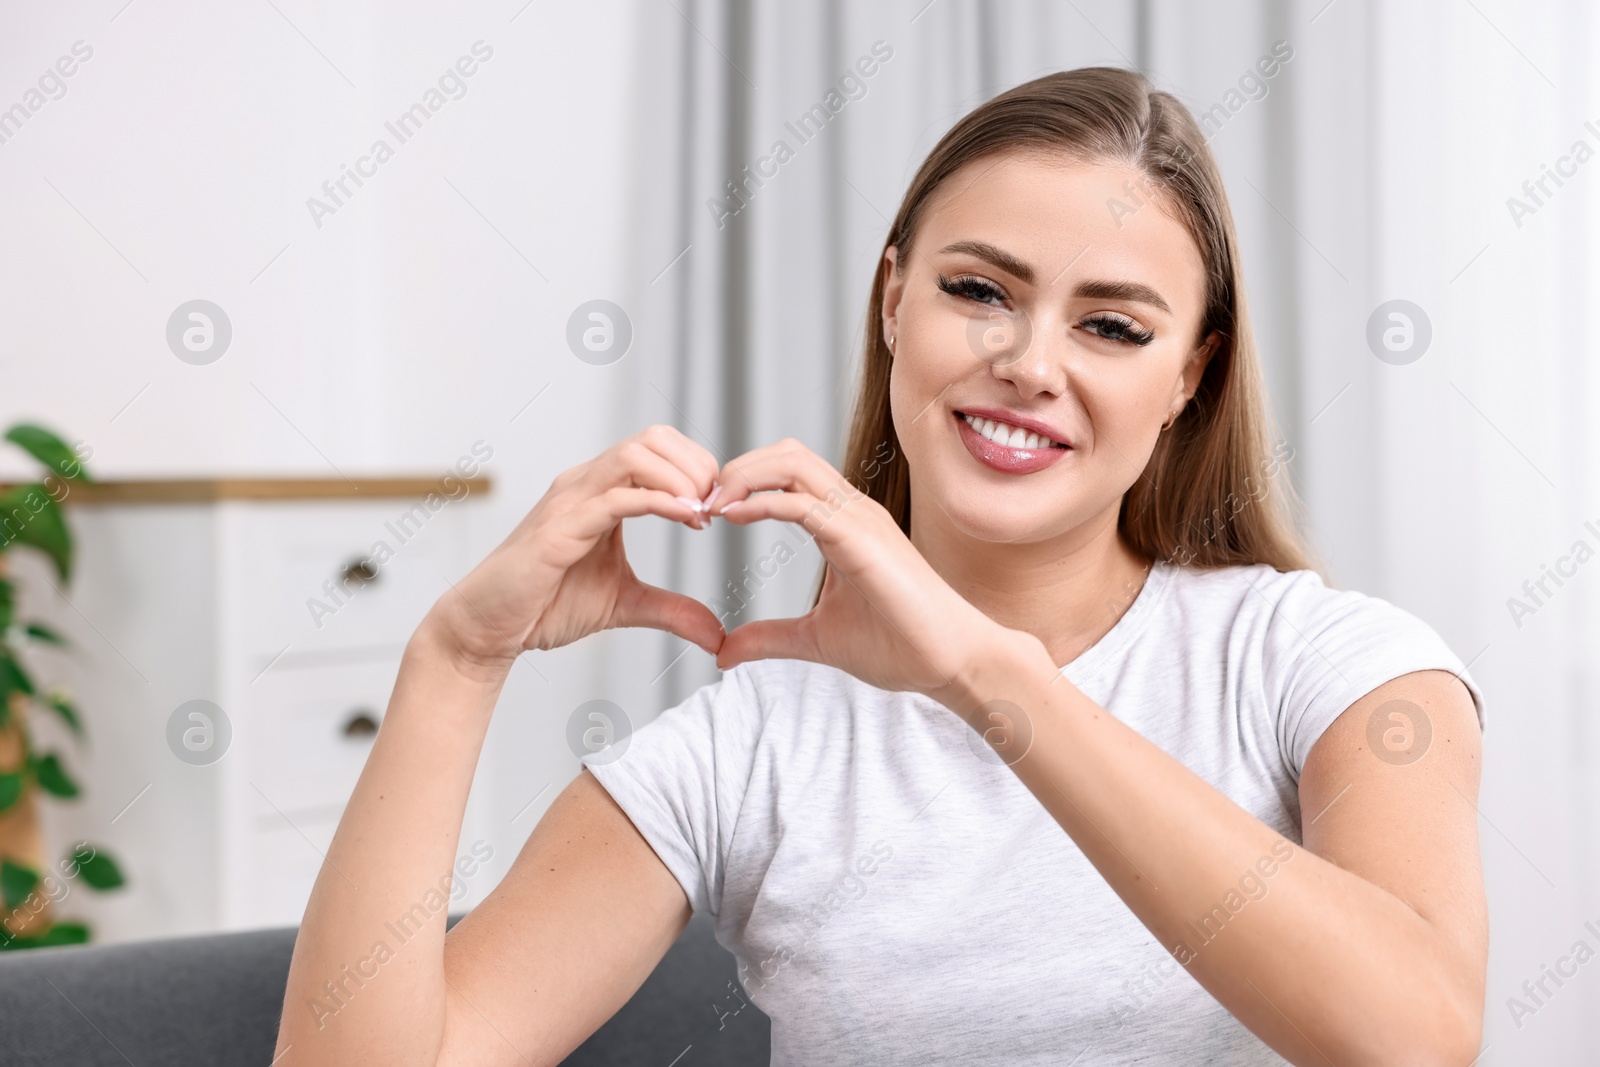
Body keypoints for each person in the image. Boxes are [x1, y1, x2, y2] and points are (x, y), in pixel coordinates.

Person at [276, 67, 1487, 1066]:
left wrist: (981, 674)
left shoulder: (1335, 665)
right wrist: (453, 658)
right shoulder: (753, 737)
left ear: (1188, 378)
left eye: (1110, 325)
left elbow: (1416, 1038)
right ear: (894, 300)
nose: (1027, 359)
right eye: (978, 290)